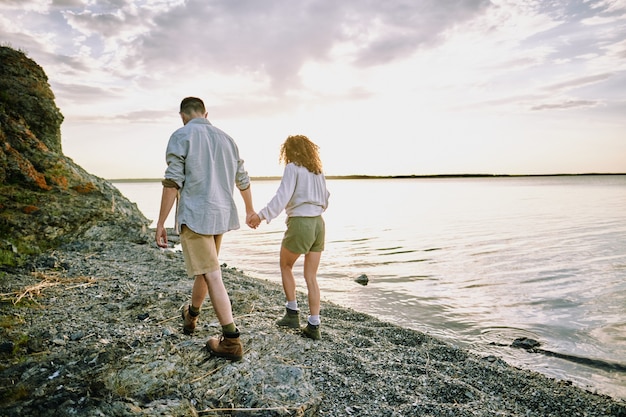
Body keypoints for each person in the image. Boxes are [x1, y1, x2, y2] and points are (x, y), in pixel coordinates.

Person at [155, 97, 256, 361]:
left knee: (212, 273)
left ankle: (231, 340)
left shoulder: (181, 135)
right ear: (206, 113)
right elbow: (243, 179)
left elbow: (173, 181)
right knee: (206, 268)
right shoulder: (227, 139)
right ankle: (191, 315)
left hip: (197, 214)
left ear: (182, 115)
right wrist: (249, 210)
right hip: (219, 215)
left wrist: (161, 223)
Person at [248, 135, 330, 340]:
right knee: (311, 276)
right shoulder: (317, 171)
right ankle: (314, 325)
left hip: (301, 222)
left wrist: (261, 215)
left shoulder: (293, 167)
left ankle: (292, 313)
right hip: (319, 223)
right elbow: (327, 198)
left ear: (289, 151)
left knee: (286, 265)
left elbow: (282, 197)